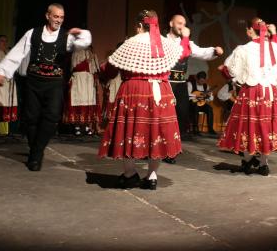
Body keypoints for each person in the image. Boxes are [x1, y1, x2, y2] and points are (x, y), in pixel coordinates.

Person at [98, 10, 191, 190]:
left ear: (139, 25)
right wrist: (186, 39)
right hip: (160, 93)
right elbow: (183, 53)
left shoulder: (129, 43)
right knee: (156, 133)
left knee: (131, 132)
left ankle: (130, 173)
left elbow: (109, 69)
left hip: (134, 92)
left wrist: (103, 72)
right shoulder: (166, 43)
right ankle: (152, 176)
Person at [0, 3, 92, 171]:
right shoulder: (33, 33)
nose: (59, 20)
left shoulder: (66, 36)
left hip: (54, 83)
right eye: (56, 16)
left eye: (61, 17)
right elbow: (18, 52)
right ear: (47, 15)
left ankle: (36, 153)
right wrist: (3, 71)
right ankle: (35, 151)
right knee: (31, 118)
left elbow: (84, 43)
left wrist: (80, 33)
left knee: (52, 117)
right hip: (34, 81)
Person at [217, 18, 277, 176]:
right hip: (270, 92)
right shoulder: (275, 48)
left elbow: (232, 71)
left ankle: (248, 161)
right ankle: (263, 164)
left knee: (249, 127)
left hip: (252, 91)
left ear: (250, 31)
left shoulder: (243, 49)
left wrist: (223, 70)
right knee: (265, 128)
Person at [167, 14, 223, 144]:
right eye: (179, 23)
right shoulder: (164, 40)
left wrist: (214, 51)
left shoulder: (188, 43)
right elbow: (179, 53)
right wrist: (185, 38)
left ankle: (175, 144)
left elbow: (201, 52)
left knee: (182, 112)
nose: (182, 27)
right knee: (165, 112)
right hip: (166, 83)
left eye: (184, 24)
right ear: (171, 24)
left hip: (180, 82)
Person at [63, 47, 100, 136]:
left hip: (89, 81)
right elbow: (72, 67)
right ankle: (77, 126)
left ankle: (87, 126)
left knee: (88, 102)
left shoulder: (92, 54)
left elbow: (94, 69)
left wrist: (95, 78)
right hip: (78, 79)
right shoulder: (75, 53)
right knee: (77, 102)